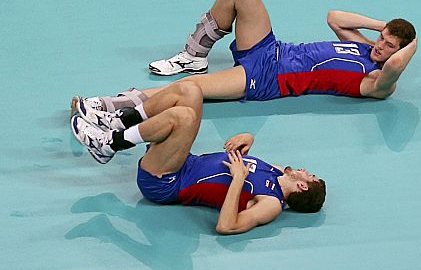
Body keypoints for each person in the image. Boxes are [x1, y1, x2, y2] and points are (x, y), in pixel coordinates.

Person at [73, 0, 417, 116]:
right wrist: (381, 27)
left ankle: (113, 107)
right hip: (272, 50)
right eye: (382, 39)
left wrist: (411, 43)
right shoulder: (364, 46)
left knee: (190, 90)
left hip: (268, 80)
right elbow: (334, 17)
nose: (381, 47)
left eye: (389, 46)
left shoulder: (376, 82)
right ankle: (193, 56)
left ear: (398, 53)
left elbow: (395, 67)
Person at [70, 80, 326, 235]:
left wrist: (237, 180)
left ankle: (109, 144)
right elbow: (250, 162)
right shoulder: (278, 172)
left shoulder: (272, 203)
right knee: (190, 91)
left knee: (183, 117)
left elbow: (227, 226)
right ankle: (117, 122)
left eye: (308, 174)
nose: (304, 169)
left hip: (166, 182)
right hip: (184, 160)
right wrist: (249, 136)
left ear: (302, 186)